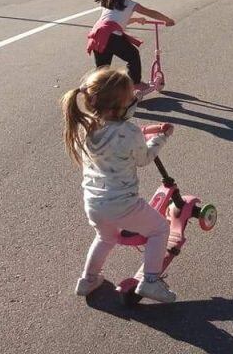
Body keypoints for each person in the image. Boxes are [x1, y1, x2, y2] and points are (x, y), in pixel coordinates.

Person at [61, 66, 177, 302]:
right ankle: (151, 281)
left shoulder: (85, 128)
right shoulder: (129, 131)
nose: (134, 101)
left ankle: (88, 279)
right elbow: (144, 158)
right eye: (131, 99)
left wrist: (143, 133)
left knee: (105, 238)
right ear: (119, 107)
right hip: (123, 205)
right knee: (160, 229)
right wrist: (161, 138)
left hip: (94, 203)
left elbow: (115, 140)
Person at [87, 0, 175, 92]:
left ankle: (95, 91)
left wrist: (134, 20)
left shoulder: (109, 1)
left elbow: (113, 22)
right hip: (111, 36)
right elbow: (150, 12)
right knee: (133, 56)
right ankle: (135, 83)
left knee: (102, 69)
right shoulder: (129, 3)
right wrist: (168, 19)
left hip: (97, 35)